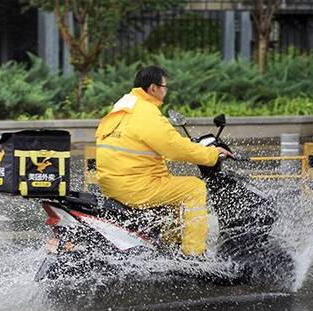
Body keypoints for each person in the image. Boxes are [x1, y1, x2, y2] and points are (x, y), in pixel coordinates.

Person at [95, 65, 233, 257]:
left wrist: (191, 145)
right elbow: (173, 147)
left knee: (175, 190)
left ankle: (169, 249)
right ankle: (194, 256)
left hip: (115, 183)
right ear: (153, 88)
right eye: (165, 87)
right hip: (135, 186)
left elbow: (161, 141)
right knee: (194, 188)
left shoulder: (124, 106)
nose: (166, 91)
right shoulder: (146, 113)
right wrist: (210, 155)